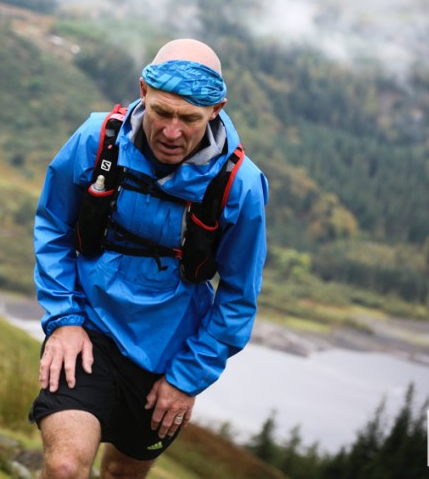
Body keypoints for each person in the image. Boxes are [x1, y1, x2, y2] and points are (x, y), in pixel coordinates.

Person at [28, 38, 268, 478]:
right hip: (88, 328)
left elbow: (238, 296)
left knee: (122, 473)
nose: (171, 132)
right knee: (64, 467)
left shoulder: (240, 185)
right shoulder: (98, 140)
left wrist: (187, 378)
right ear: (143, 91)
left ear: (216, 110)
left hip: (168, 356)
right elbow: (53, 226)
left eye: (189, 119)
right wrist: (63, 320)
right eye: (162, 112)